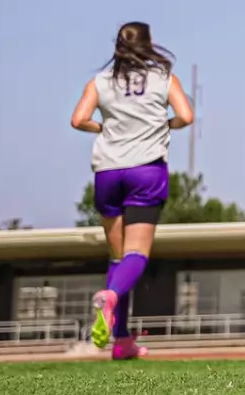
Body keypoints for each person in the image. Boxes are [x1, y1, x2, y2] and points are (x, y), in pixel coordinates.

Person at [70, 21, 190, 362]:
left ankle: (121, 341)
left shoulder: (100, 81)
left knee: (117, 257)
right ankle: (110, 297)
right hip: (146, 170)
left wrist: (103, 126)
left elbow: (78, 119)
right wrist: (165, 124)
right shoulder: (163, 78)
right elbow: (186, 115)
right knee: (136, 255)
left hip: (108, 172)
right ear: (149, 45)